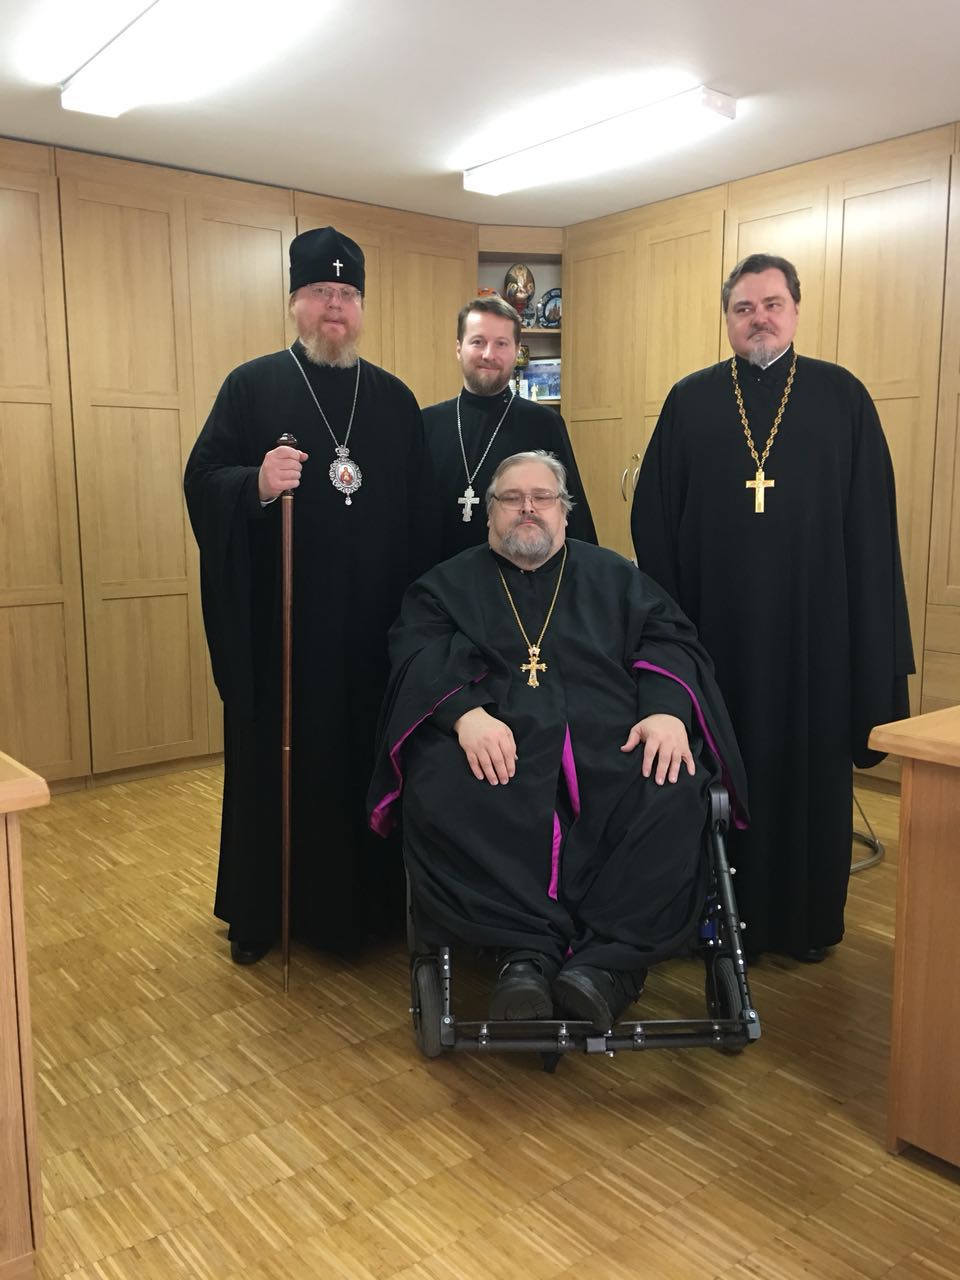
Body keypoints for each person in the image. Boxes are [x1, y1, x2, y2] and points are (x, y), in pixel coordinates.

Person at [368, 452, 746, 1030]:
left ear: (564, 512)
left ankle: (607, 968)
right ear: (489, 513)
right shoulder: (443, 587)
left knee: (671, 783)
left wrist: (667, 712)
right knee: (448, 783)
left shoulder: (614, 576)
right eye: (511, 498)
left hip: (612, 737)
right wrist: (464, 715)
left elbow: (670, 640)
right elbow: (418, 653)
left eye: (542, 497)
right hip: (497, 737)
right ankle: (521, 957)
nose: (527, 508)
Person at [631, 253, 914, 963]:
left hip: (818, 640)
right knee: (717, 778)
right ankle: (715, 922)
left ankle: (806, 924)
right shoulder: (690, 401)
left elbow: (872, 531)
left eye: (772, 304)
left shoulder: (842, 397)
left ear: (795, 310)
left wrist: (872, 648)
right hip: (715, 640)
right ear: (727, 318)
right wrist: (671, 636)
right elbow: (653, 522)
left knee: (809, 780)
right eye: (743, 308)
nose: (758, 318)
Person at [185, 226, 435, 964]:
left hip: (372, 635)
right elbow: (203, 480)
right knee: (278, 767)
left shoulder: (394, 399)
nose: (335, 306)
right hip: (283, 637)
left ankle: (366, 912)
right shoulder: (250, 386)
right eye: (321, 292)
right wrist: (257, 484)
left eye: (348, 293)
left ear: (361, 308)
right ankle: (265, 913)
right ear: (295, 302)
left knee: (365, 762)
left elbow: (420, 516)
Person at [423, 295, 597, 559]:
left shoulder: (544, 424)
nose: (488, 354)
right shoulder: (426, 424)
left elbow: (572, 516)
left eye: (501, 344)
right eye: (478, 342)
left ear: (516, 351)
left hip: (519, 576)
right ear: (459, 348)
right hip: (438, 576)